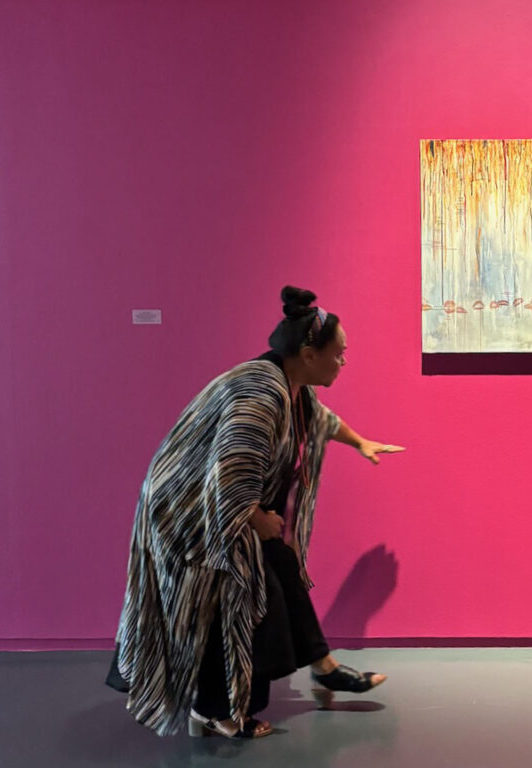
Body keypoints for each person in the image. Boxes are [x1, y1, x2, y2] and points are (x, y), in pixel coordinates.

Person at [106, 286, 404, 738]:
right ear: (309, 354)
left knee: (279, 571)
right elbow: (231, 469)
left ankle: (321, 667)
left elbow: (320, 420)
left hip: (224, 506)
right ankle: (213, 711)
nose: (343, 362)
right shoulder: (260, 395)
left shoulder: (292, 385)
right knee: (228, 599)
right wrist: (256, 516)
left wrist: (360, 441)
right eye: (339, 354)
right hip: (189, 512)